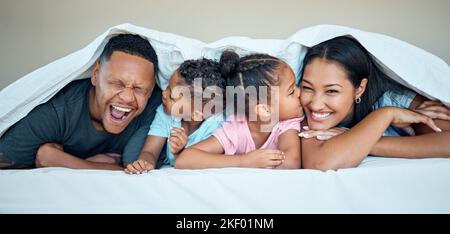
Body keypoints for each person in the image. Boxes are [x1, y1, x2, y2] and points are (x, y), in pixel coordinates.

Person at [0, 34, 162, 170]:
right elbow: (5, 160)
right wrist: (97, 164)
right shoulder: (57, 110)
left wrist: (61, 161)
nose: (127, 97)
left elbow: (137, 170)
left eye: (139, 88)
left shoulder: (155, 109)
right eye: (117, 83)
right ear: (96, 74)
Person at [298, 36, 450, 170]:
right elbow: (320, 163)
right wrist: (386, 115)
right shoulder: (302, 110)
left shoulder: (393, 101)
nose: (315, 105)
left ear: (359, 89)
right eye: (307, 88)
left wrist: (362, 138)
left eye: (332, 91)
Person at [177, 51, 304, 169]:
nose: (300, 92)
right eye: (292, 91)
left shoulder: (287, 122)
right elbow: (184, 159)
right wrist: (243, 161)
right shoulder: (236, 130)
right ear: (264, 110)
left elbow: (291, 161)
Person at [124, 58, 226, 174]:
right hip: (165, 162)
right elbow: (150, 151)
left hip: (194, 174)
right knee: (129, 157)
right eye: (167, 87)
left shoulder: (216, 127)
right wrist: (145, 162)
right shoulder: (165, 113)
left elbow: (199, 165)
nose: (164, 93)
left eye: (172, 96)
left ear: (195, 115)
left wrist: (180, 151)